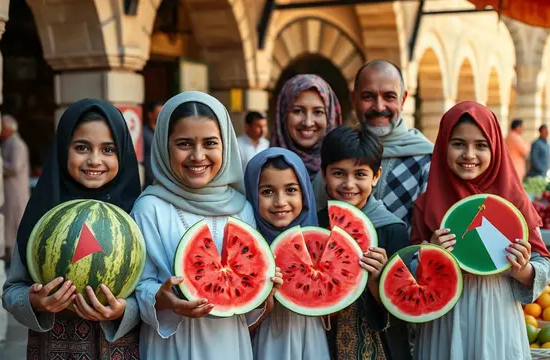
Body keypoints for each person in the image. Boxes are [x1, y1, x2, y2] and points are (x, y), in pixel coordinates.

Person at [132, 91, 281, 360]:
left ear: (226, 145)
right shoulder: (148, 208)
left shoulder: (242, 208)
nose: (198, 155)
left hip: (231, 345)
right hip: (171, 346)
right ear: (165, 147)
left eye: (210, 143)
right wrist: (164, 298)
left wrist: (264, 290)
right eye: (184, 144)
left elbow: (248, 302)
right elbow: (139, 285)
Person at [411, 101, 550, 360]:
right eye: (458, 144)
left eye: (481, 145)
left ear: (496, 148)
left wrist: (523, 270)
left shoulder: (515, 201)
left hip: (498, 318)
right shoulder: (426, 205)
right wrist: (429, 256)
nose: (469, 154)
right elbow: (409, 272)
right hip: (443, 320)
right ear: (443, 145)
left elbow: (544, 265)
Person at [2, 99, 143, 359]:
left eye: (108, 150)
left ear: (122, 153)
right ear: (63, 149)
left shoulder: (138, 213)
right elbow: (11, 291)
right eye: (81, 147)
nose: (94, 160)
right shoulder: (43, 214)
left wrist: (125, 311)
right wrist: (34, 302)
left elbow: (148, 291)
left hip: (122, 349)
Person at [317, 126, 411, 360]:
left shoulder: (393, 229)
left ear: (376, 176)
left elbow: (405, 308)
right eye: (339, 173)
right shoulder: (315, 225)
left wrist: (380, 282)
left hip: (378, 347)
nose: (349, 184)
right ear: (323, 173)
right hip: (321, 344)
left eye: (360, 174)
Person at [314, 60, 433, 228]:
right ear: (353, 99)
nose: (378, 107)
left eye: (389, 97)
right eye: (368, 97)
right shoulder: (336, 154)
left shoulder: (427, 161)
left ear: (403, 99)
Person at [244, 148, 330, 360]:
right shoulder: (244, 250)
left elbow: (334, 309)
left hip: (312, 339)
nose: (280, 202)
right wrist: (267, 299)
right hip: (264, 342)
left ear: (306, 194)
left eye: (291, 190)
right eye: (267, 192)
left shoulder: (323, 245)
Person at [271, 74, 342, 180]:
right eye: (298, 111)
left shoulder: (348, 169)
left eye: (318, 112)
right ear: (283, 115)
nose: (308, 123)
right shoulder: (264, 171)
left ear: (330, 117)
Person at [0, 114, 30, 262]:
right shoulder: (7, 144)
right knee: (9, 223)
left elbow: (15, 167)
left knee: (16, 222)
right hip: (8, 191)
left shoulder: (17, 144)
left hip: (16, 191)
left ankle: (18, 258)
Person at [143, 101, 165, 187]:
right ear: (150, 114)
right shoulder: (143, 133)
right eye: (159, 113)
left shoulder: (165, 133)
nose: (162, 115)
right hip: (149, 180)